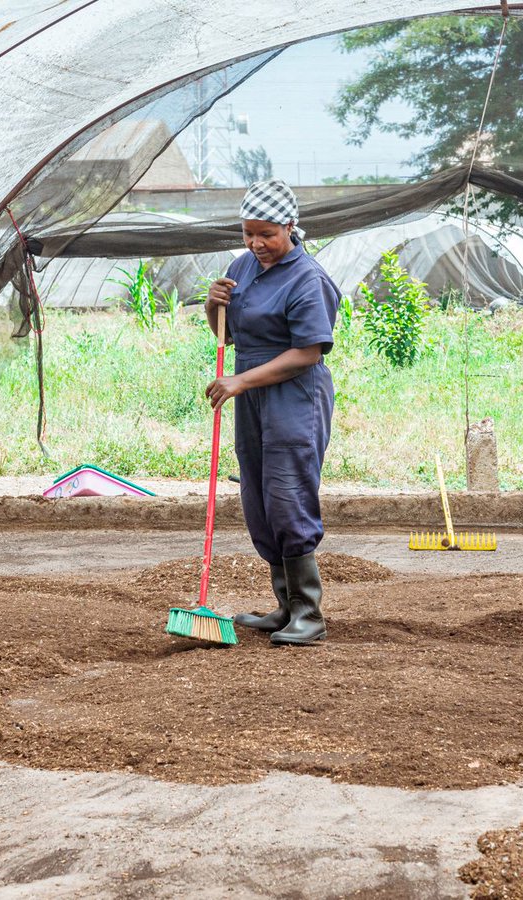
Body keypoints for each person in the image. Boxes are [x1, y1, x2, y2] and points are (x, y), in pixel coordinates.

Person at [204, 179, 339, 646]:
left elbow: (308, 352)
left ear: (290, 226)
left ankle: (309, 612)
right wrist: (211, 306)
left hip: (294, 398)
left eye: (267, 234)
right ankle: (284, 606)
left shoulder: (308, 278)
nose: (256, 244)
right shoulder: (242, 267)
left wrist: (239, 382)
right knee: (259, 499)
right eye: (248, 234)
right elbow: (227, 338)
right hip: (254, 397)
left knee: (287, 496)